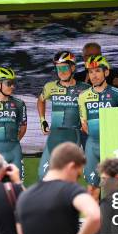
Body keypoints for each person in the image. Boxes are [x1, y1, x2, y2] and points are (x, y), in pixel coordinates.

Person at [78, 55, 118, 199]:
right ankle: (95, 220)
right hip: (92, 146)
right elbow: (84, 124)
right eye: (91, 72)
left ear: (106, 73)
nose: (94, 75)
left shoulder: (117, 94)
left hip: (113, 145)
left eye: (97, 71)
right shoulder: (83, 96)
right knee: (93, 188)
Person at [37, 51, 90, 179]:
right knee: (43, 174)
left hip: (74, 134)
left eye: (64, 67)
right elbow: (40, 100)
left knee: (66, 173)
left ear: (73, 68)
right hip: (55, 134)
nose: (61, 71)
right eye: (58, 68)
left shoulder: (85, 88)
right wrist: (42, 120)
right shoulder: (50, 87)